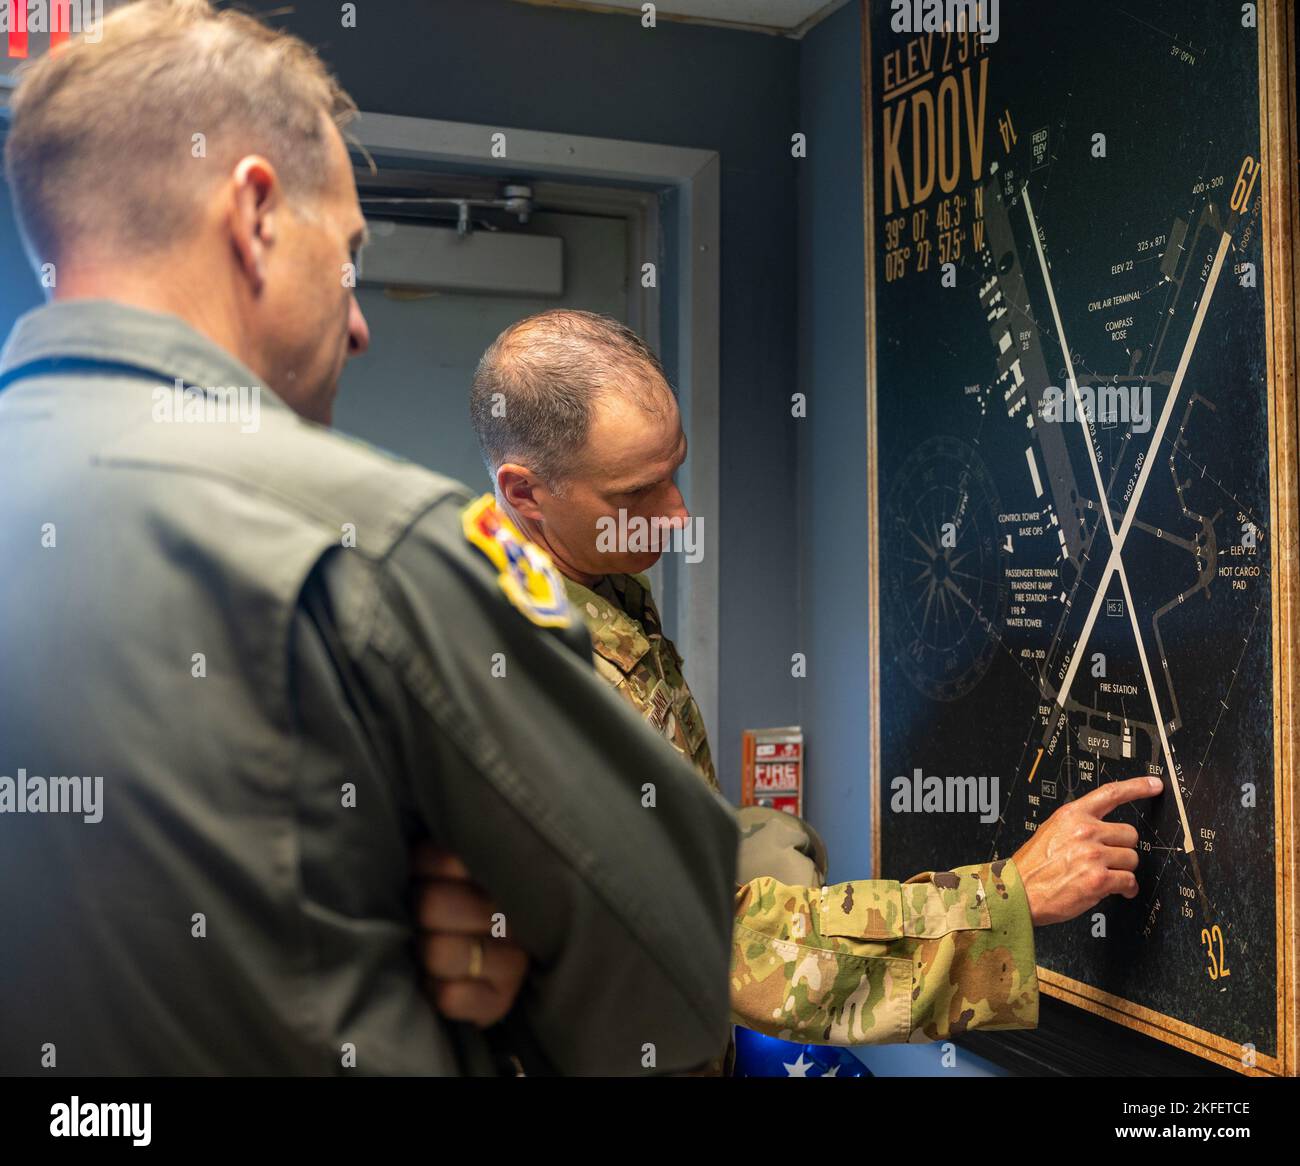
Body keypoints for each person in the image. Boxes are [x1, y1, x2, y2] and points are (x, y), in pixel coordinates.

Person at [0, 1, 738, 1076]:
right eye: (346, 253)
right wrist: (452, 948)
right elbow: (671, 975)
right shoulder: (374, 544)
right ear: (254, 212)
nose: (358, 321)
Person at [451, 308, 1164, 1047]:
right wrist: (1008, 900)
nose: (676, 516)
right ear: (527, 493)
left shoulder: (577, 576)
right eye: (635, 494)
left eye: (675, 473)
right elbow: (714, 942)